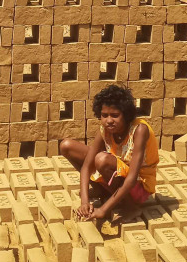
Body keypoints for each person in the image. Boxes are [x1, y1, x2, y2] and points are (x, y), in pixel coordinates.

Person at [60, 83, 158, 222]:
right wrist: (84, 201)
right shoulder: (104, 129)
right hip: (117, 175)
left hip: (139, 187)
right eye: (104, 115)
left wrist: (103, 210)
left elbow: (131, 179)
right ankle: (101, 191)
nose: (109, 121)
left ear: (126, 115)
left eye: (115, 115)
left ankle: (131, 207)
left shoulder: (140, 130)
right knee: (67, 146)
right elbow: (87, 167)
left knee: (102, 160)